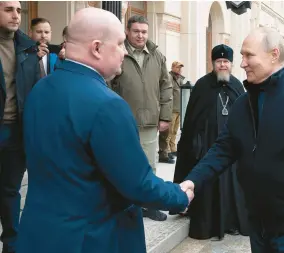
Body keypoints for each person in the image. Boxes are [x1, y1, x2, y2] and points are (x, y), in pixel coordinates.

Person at [16, 8, 193, 253]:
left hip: (39, 234)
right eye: (120, 43)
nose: (124, 51)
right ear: (97, 48)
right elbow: (137, 184)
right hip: (90, 239)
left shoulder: (40, 89)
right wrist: (179, 195)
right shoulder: (107, 105)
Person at [180, 27, 284, 253]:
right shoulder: (242, 104)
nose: (242, 63)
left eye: (249, 55)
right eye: (242, 56)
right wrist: (192, 181)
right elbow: (223, 150)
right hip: (257, 225)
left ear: (273, 54)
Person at [172, 45, 248, 240]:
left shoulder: (238, 86)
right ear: (213, 63)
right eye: (219, 62)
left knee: (232, 185)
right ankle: (210, 223)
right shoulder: (202, 86)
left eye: (226, 62)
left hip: (232, 149)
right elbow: (191, 121)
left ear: (231, 64)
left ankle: (231, 222)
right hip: (207, 148)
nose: (222, 65)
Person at [110, 15, 172, 221]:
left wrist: (165, 116)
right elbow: (108, 82)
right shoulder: (118, 52)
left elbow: (166, 85)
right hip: (123, 121)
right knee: (122, 163)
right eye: (136, 31)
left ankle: (149, 204)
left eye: (144, 31)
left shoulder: (157, 55)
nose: (140, 35)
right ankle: (125, 203)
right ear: (127, 31)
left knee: (149, 165)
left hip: (149, 122)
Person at [0, 1, 42, 252]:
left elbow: (36, 91)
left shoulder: (27, 47)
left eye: (18, 9)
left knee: (10, 190)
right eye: (8, 9)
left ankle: (11, 245)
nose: (16, 15)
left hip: (17, 132)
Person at [158, 61, 185, 163]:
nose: (180, 69)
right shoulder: (169, 77)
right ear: (173, 67)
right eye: (178, 67)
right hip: (171, 109)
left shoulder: (181, 79)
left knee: (174, 131)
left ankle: (173, 149)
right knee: (168, 131)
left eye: (181, 68)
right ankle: (166, 151)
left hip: (179, 108)